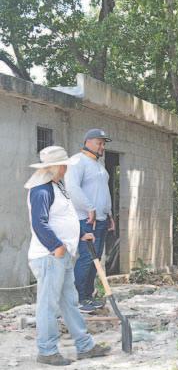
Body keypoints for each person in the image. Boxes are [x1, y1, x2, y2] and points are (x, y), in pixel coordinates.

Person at [25, 146, 111, 365]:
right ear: (53, 167)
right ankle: (46, 351)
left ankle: (85, 346)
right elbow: (39, 223)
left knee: (70, 303)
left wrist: (81, 233)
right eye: (63, 166)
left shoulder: (57, 187)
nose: (65, 169)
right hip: (49, 256)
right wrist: (56, 246)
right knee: (48, 305)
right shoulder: (41, 190)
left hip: (61, 255)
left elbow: (65, 217)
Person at [65, 129, 115, 313]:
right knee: (87, 258)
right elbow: (72, 188)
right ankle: (77, 299)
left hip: (101, 220)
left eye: (103, 144)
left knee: (96, 260)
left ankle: (87, 296)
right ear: (88, 142)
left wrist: (109, 215)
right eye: (99, 143)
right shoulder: (77, 161)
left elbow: (103, 192)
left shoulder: (98, 165)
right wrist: (89, 208)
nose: (102, 147)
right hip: (86, 220)